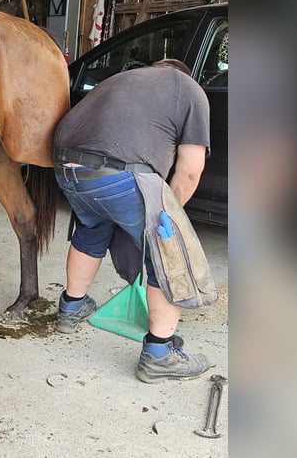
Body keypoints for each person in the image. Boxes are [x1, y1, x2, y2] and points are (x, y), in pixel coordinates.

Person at [52, 58, 211, 383]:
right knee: (167, 253)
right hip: (116, 171)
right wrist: (166, 221)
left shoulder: (122, 78)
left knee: (92, 229)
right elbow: (191, 170)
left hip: (65, 167)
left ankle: (71, 308)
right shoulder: (189, 90)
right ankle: (159, 354)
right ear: (181, 76)